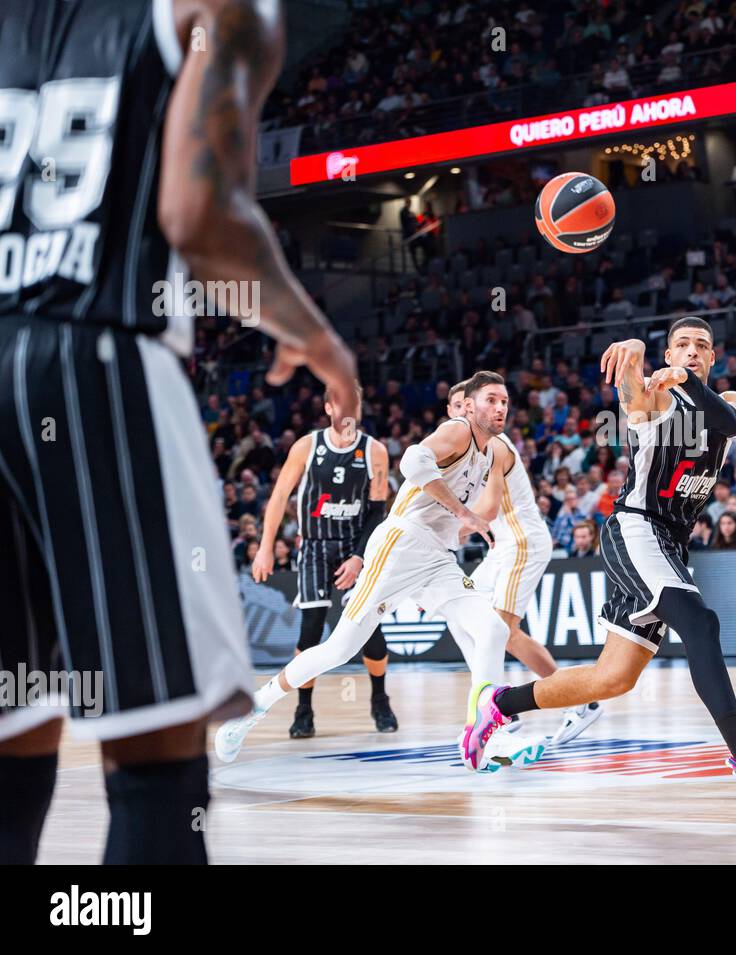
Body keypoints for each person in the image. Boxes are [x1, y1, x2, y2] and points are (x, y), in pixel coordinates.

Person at [0, 0, 361, 865]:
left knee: (14, 737)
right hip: (100, 364)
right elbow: (198, 217)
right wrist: (312, 332)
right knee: (156, 760)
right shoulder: (219, 7)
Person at [460, 319, 736, 794]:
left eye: (701, 347)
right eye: (682, 346)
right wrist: (633, 350)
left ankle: (501, 705)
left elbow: (731, 424)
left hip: (669, 543)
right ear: (667, 356)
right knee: (699, 621)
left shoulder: (730, 402)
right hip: (636, 527)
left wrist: (685, 379)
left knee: (613, 678)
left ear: (712, 359)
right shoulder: (653, 398)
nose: (692, 352)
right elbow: (630, 389)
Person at [215, 373, 547, 771]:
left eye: (505, 402)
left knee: (493, 630)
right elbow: (411, 460)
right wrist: (463, 513)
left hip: (437, 559)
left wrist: (466, 526)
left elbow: (480, 506)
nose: (500, 408)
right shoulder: (458, 432)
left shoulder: (493, 453)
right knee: (339, 649)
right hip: (401, 545)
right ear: (471, 406)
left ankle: (486, 734)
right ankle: (254, 708)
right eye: (491, 399)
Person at [452, 381, 603, 746]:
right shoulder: (463, 451)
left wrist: (454, 530)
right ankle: (501, 707)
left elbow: (486, 510)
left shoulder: (495, 446)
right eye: (456, 407)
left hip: (522, 543)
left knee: (503, 632)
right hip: (501, 545)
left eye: (467, 405)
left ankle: (580, 702)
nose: (463, 412)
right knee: (458, 612)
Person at [250, 381, 397, 739]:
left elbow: (378, 512)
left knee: (369, 633)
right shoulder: (307, 446)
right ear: (329, 409)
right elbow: (280, 495)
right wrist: (266, 545)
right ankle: (304, 709)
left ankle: (380, 699)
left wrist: (361, 556)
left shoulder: (375, 452)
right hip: (315, 546)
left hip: (355, 546)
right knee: (310, 632)